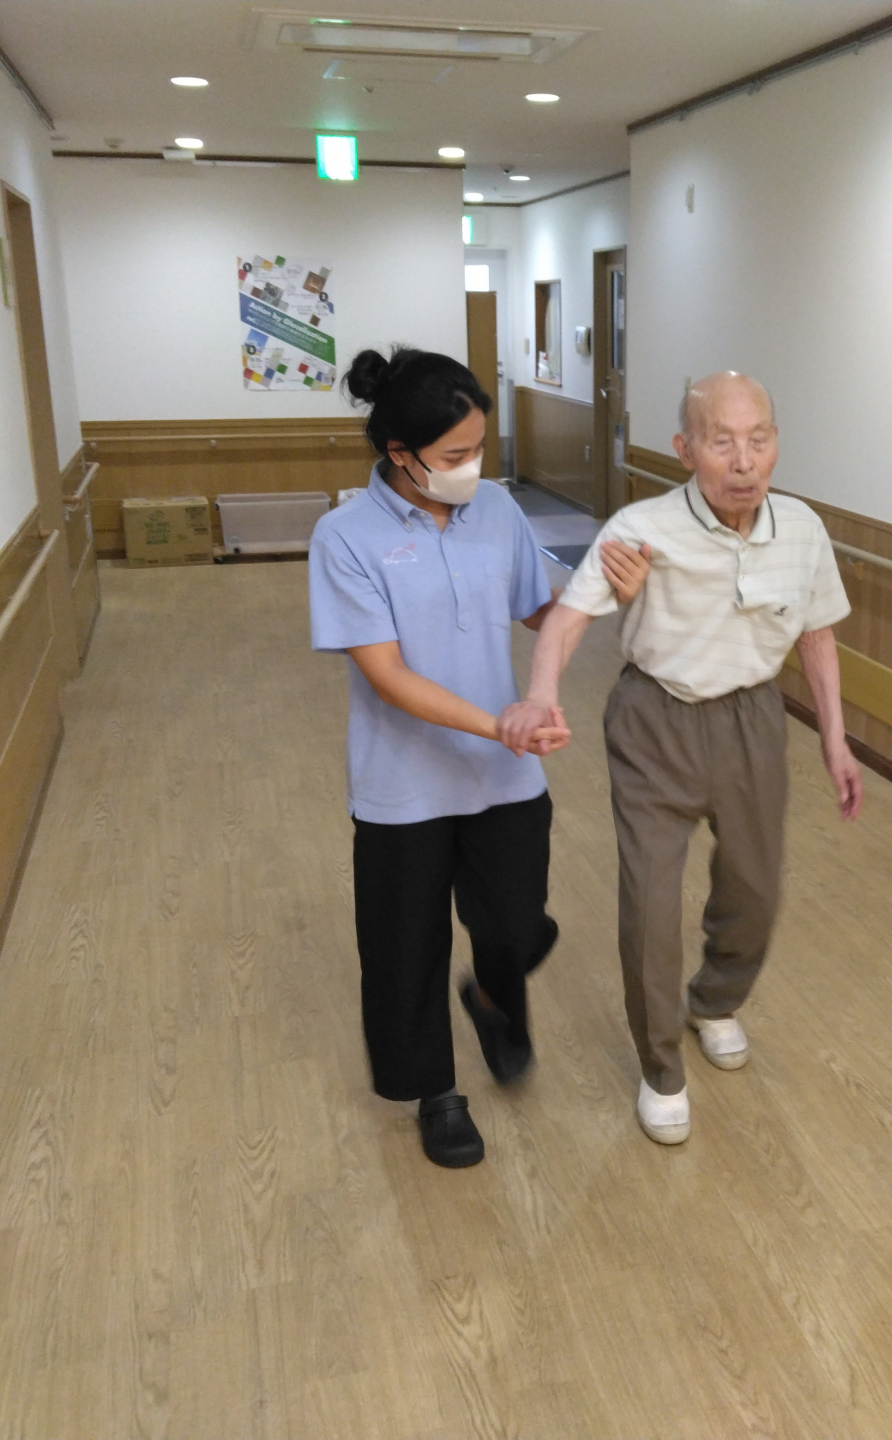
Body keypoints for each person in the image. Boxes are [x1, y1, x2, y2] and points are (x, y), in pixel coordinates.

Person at [499, 371, 863, 1145]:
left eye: (757, 439)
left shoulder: (802, 529)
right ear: (684, 448)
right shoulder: (641, 528)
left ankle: (715, 1001)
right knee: (651, 901)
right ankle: (661, 1066)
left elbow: (818, 634)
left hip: (753, 719)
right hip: (655, 720)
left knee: (756, 889)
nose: (743, 460)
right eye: (721, 441)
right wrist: (540, 695)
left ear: (776, 443)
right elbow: (566, 619)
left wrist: (834, 736)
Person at [309, 345, 571, 1169]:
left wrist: (608, 588)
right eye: (454, 455)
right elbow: (387, 677)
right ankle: (437, 1093)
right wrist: (500, 724)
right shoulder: (345, 537)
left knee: (518, 925)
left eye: (479, 448)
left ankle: (493, 994)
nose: (472, 467)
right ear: (400, 453)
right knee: (405, 948)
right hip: (405, 782)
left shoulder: (496, 508)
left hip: (505, 775)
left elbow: (539, 607)